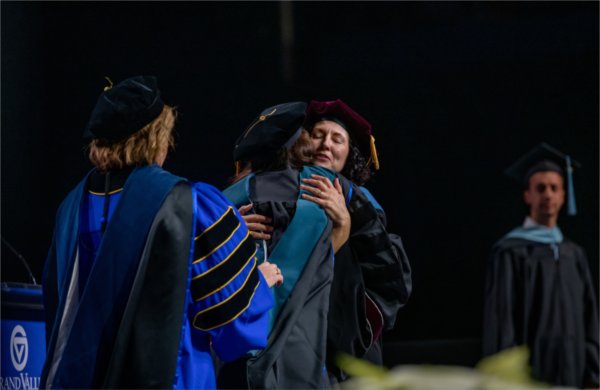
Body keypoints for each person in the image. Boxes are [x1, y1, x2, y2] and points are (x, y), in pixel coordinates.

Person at [40, 76, 282, 389]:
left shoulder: (71, 207)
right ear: (156, 138)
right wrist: (259, 281)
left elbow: (55, 308)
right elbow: (233, 326)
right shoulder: (187, 203)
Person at [236, 99, 412, 384]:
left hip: (339, 340)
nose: (326, 144)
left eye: (337, 139)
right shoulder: (264, 193)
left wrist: (348, 220)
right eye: (317, 135)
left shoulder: (364, 205)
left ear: (350, 154)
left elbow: (391, 281)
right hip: (276, 336)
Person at [219, 101, 343, 389]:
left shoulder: (224, 203)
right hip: (305, 352)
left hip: (237, 351)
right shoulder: (327, 195)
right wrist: (344, 225)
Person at [482, 142, 599, 388]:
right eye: (541, 188)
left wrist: (593, 372)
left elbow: (591, 320)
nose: (548, 194)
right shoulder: (510, 251)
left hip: (575, 372)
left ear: (563, 195)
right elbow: (502, 323)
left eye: (554, 188)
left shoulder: (574, 254)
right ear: (528, 195)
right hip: (530, 377)